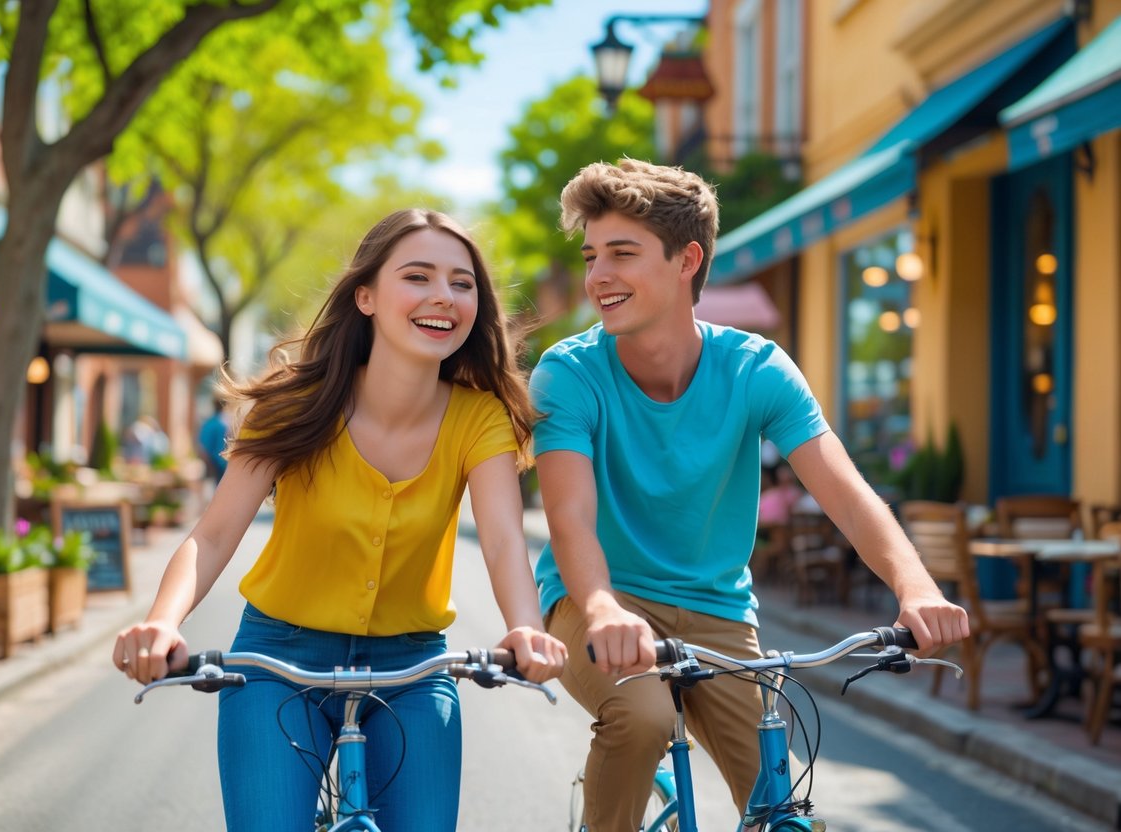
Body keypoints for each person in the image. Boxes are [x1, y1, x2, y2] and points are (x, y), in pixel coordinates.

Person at [529, 159, 969, 832]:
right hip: (599, 599)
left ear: (687, 260)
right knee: (641, 718)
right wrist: (601, 608)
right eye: (591, 256)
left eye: (622, 253)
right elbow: (568, 516)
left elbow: (848, 498)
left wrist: (915, 588)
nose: (597, 277)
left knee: (780, 802)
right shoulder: (568, 374)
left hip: (717, 610)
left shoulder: (755, 369)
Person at [112, 208, 567, 832]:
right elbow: (214, 534)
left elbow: (504, 542)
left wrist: (523, 628)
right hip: (278, 658)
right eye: (418, 276)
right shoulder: (294, 403)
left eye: (463, 284)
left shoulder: (479, 418)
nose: (444, 296)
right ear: (366, 296)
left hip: (413, 666)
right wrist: (161, 624)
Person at [197, 399, 231, 484]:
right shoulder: (223, 424)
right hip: (222, 461)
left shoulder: (208, 423)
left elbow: (202, 445)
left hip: (212, 460)